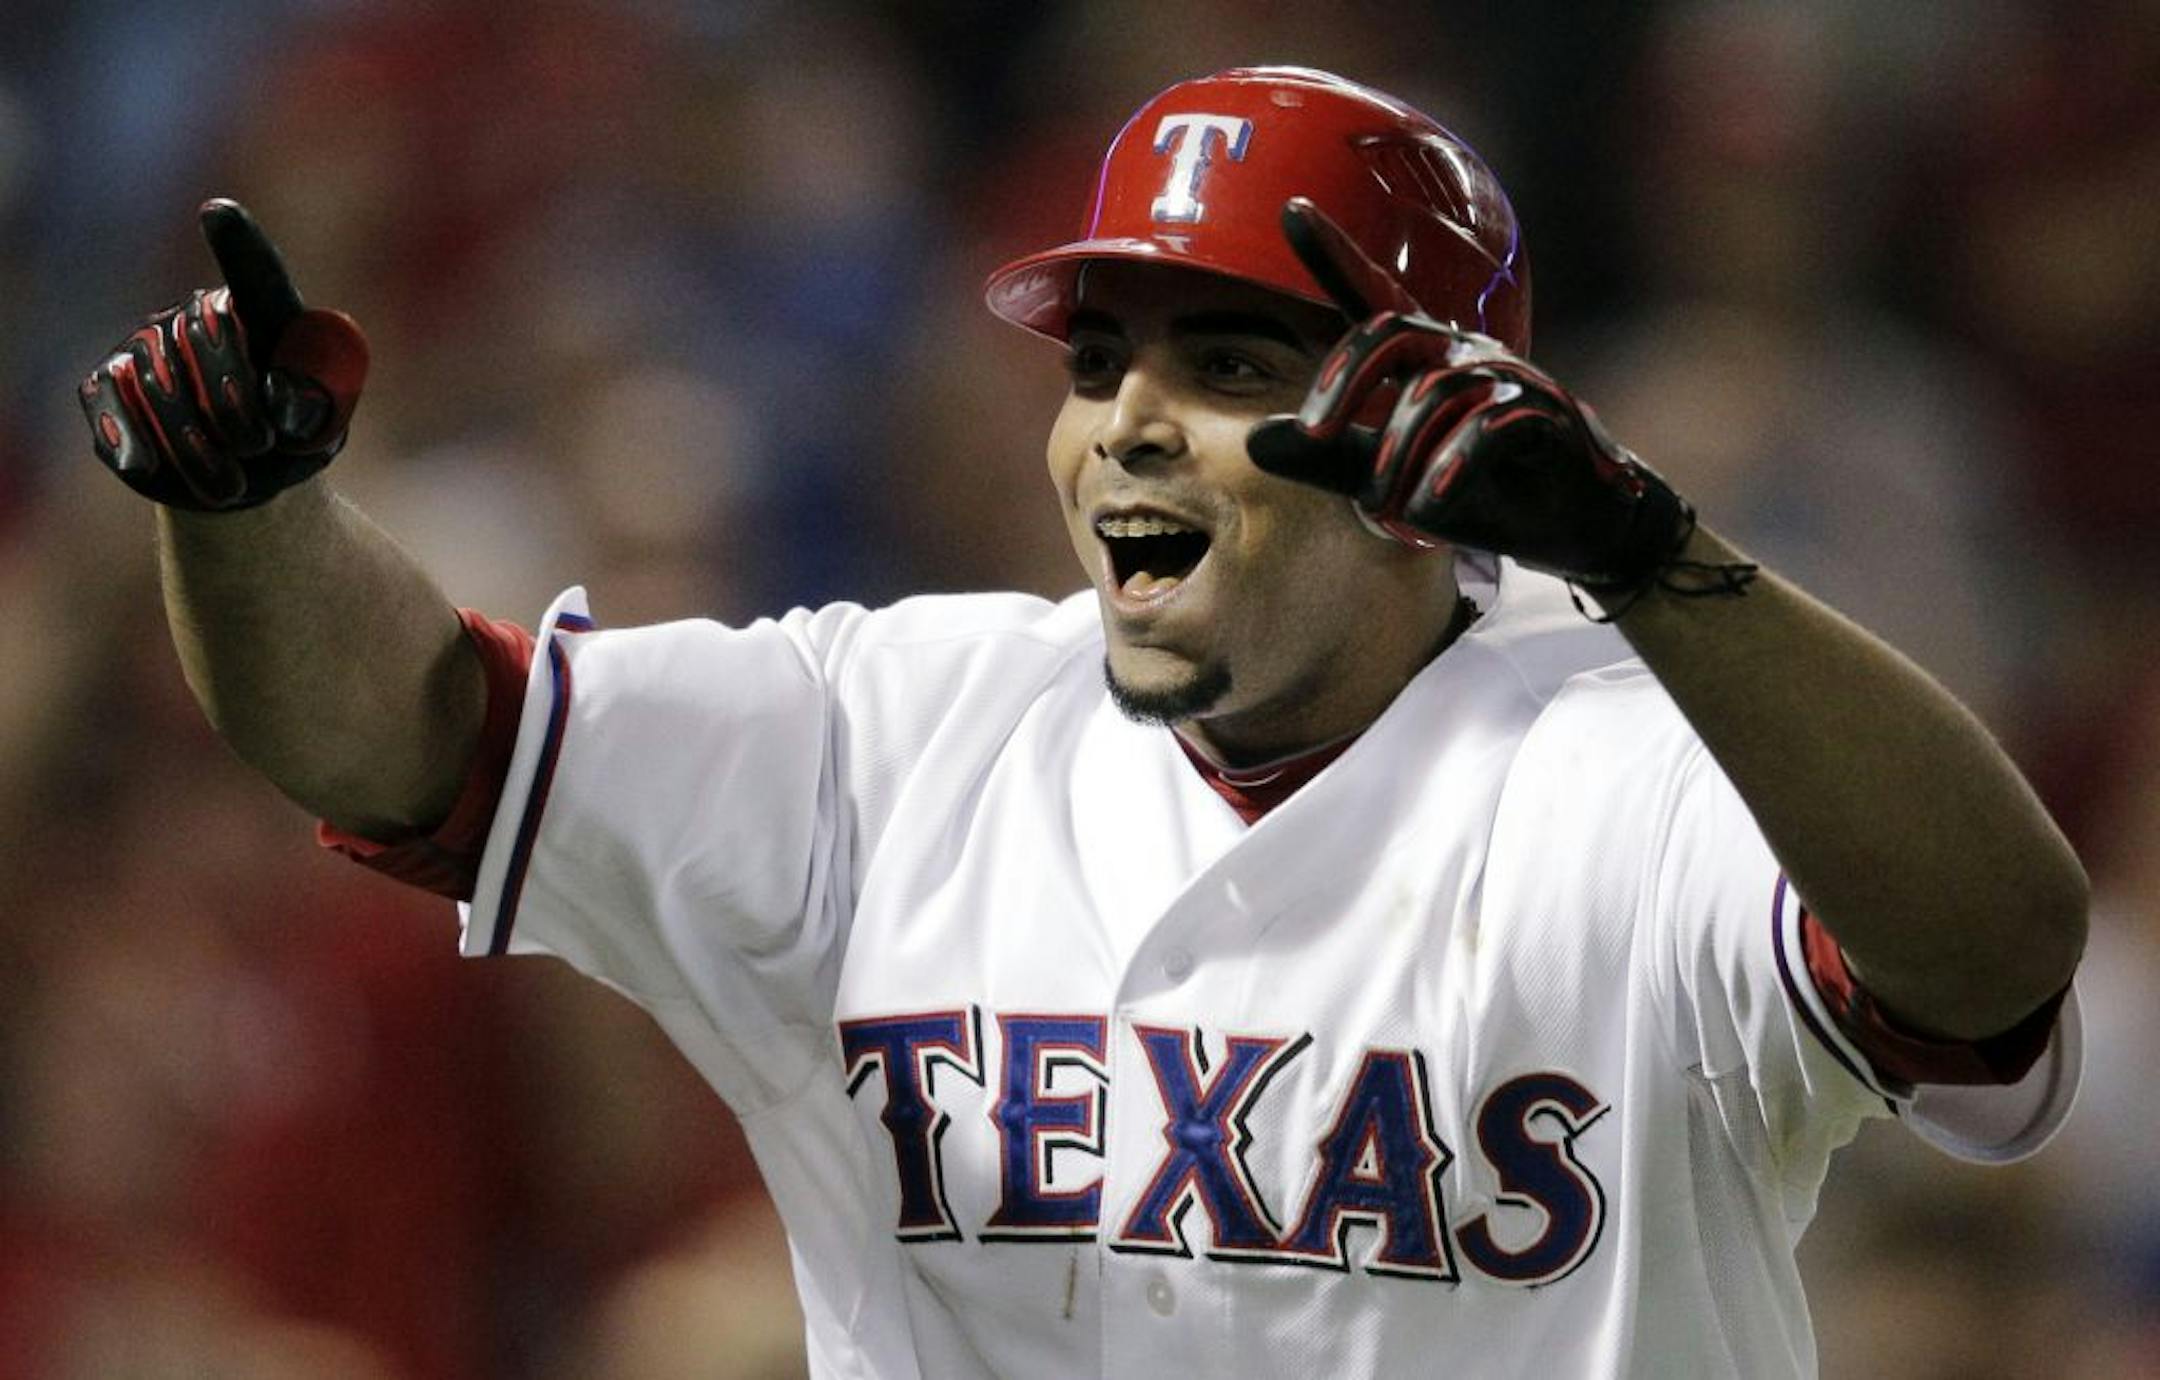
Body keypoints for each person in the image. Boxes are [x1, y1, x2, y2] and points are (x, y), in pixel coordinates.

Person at [79, 66, 2086, 1379]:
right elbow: (400, 732)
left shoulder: (1637, 766)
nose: (1124, 415)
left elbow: (1991, 956)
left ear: (1428, 433)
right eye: (1100, 358)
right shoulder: (885, 731)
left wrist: (1659, 563)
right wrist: (251, 512)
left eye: (1223, 361)